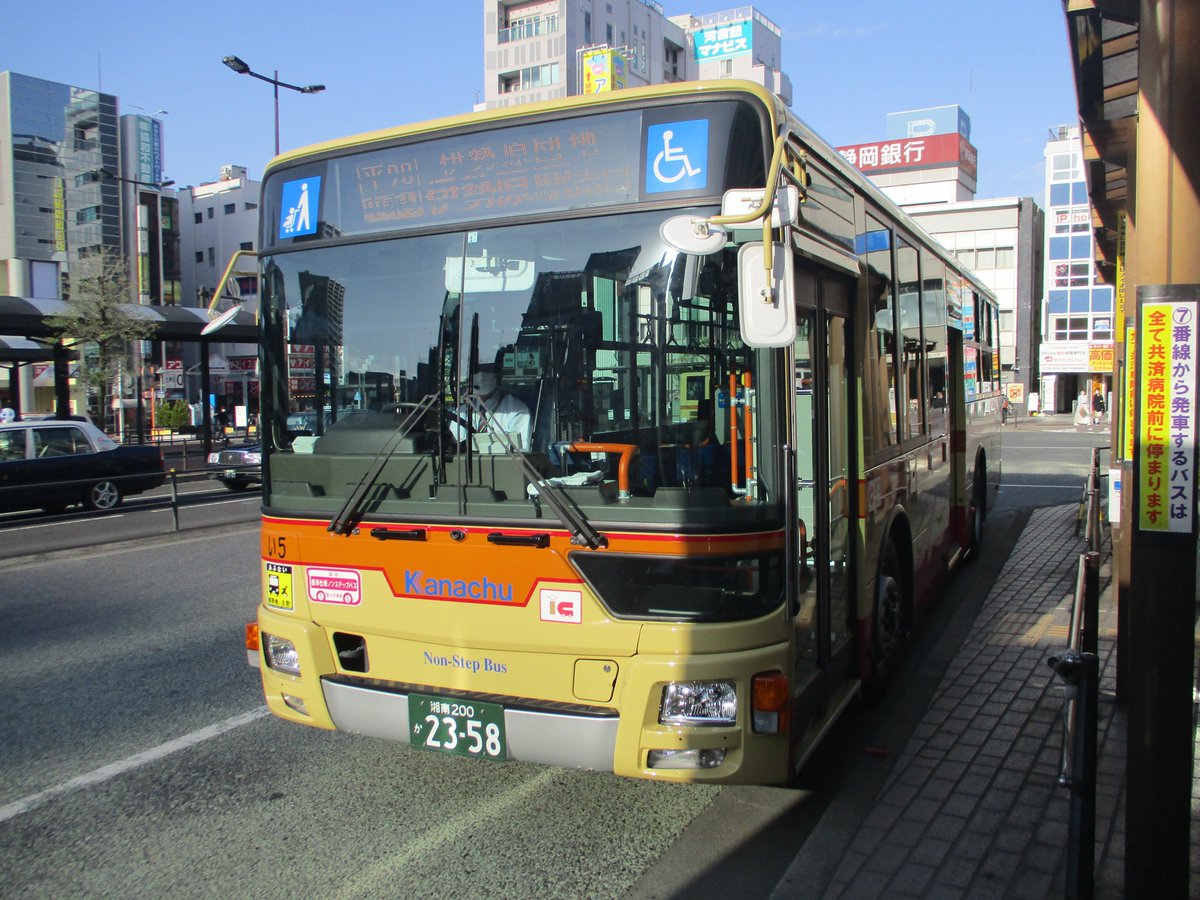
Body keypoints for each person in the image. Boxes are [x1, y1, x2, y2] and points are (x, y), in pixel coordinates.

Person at [449, 363, 531, 451]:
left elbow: (519, 454)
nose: (481, 376)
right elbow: (455, 448)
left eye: (487, 370)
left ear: (498, 376)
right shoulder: (462, 411)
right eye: (476, 371)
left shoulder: (518, 411)